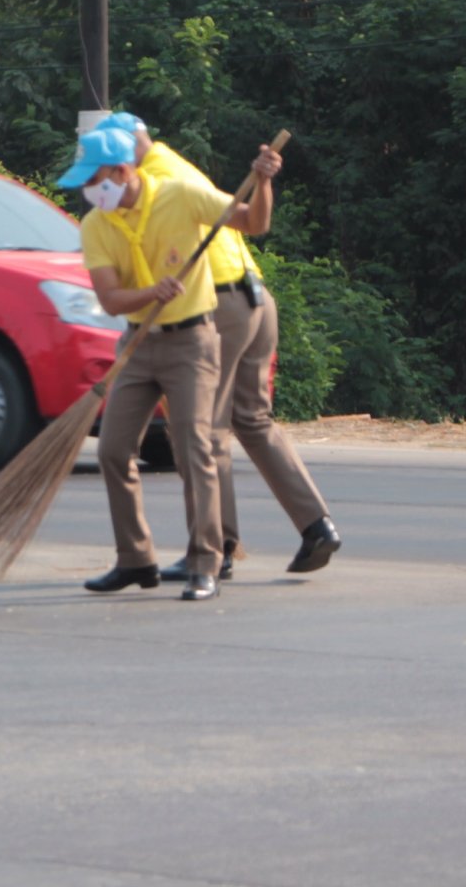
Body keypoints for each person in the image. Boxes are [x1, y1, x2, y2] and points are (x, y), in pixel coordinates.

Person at [91, 113, 340, 584]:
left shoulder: (155, 180)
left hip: (218, 303)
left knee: (205, 430)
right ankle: (316, 524)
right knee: (251, 418)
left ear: (124, 158)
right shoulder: (175, 162)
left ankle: (216, 545)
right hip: (255, 296)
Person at [61, 126, 274, 601]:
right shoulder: (97, 224)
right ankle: (135, 559)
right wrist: (150, 293)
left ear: (122, 171)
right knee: (114, 450)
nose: (89, 192)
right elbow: (112, 299)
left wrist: (262, 183)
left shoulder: (181, 195)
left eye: (94, 180)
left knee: (193, 448)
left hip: (192, 343)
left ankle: (205, 563)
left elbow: (252, 223)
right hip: (138, 345)